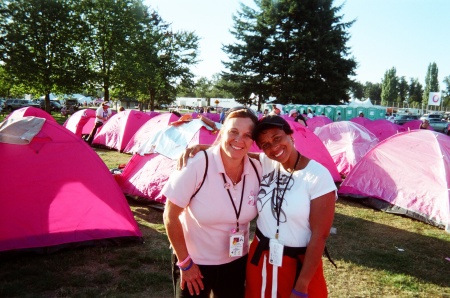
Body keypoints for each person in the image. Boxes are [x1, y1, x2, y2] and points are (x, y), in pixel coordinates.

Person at [180, 115, 337, 298]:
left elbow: (320, 235)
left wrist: (302, 285)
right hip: (261, 258)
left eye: (277, 138)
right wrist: (203, 149)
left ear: (290, 136)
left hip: (297, 262)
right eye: (265, 145)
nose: (273, 147)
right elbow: (235, 153)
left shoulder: (318, 176)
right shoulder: (267, 163)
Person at [162, 107, 262, 298]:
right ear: (222, 131)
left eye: (247, 135)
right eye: (233, 131)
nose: (240, 139)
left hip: (236, 262)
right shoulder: (197, 164)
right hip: (195, 262)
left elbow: (283, 159)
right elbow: (170, 215)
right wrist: (185, 263)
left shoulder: (257, 168)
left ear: (253, 140)